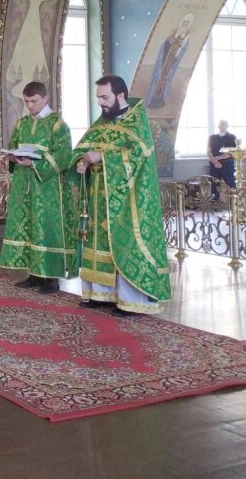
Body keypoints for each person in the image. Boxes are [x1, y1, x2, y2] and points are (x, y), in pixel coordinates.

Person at [71, 76, 171, 315]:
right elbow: (83, 150)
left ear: (121, 96)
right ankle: (100, 294)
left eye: (104, 97)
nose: (100, 103)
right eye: (98, 98)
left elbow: (138, 157)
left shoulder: (136, 123)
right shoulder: (102, 123)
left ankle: (130, 300)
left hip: (127, 202)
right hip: (97, 197)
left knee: (124, 244)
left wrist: (103, 157)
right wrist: (82, 162)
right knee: (98, 242)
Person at [0, 82, 74, 293]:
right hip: (24, 183)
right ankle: (34, 273)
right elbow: (14, 145)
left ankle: (51, 277)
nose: (30, 106)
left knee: (46, 227)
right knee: (28, 225)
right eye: (27, 102)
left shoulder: (57, 125)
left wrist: (35, 163)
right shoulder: (22, 124)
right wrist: (12, 156)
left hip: (48, 187)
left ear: (45, 98)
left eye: (34, 101)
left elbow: (63, 155)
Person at [147, 12, 194, 108]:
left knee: (165, 80)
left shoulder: (186, 36)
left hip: (172, 63)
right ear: (181, 22)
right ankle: (151, 99)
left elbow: (183, 49)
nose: (185, 24)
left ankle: (160, 100)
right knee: (158, 79)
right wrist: (170, 42)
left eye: (187, 22)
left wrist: (178, 50)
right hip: (164, 60)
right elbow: (165, 44)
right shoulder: (174, 32)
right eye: (184, 21)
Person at [208, 119, 239, 198]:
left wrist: (218, 158)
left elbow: (232, 152)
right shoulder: (212, 137)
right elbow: (208, 151)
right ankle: (215, 203)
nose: (221, 126)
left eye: (223, 124)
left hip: (228, 164)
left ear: (227, 126)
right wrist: (215, 162)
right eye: (220, 124)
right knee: (214, 185)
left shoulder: (232, 137)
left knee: (231, 184)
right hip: (214, 165)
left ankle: (233, 202)